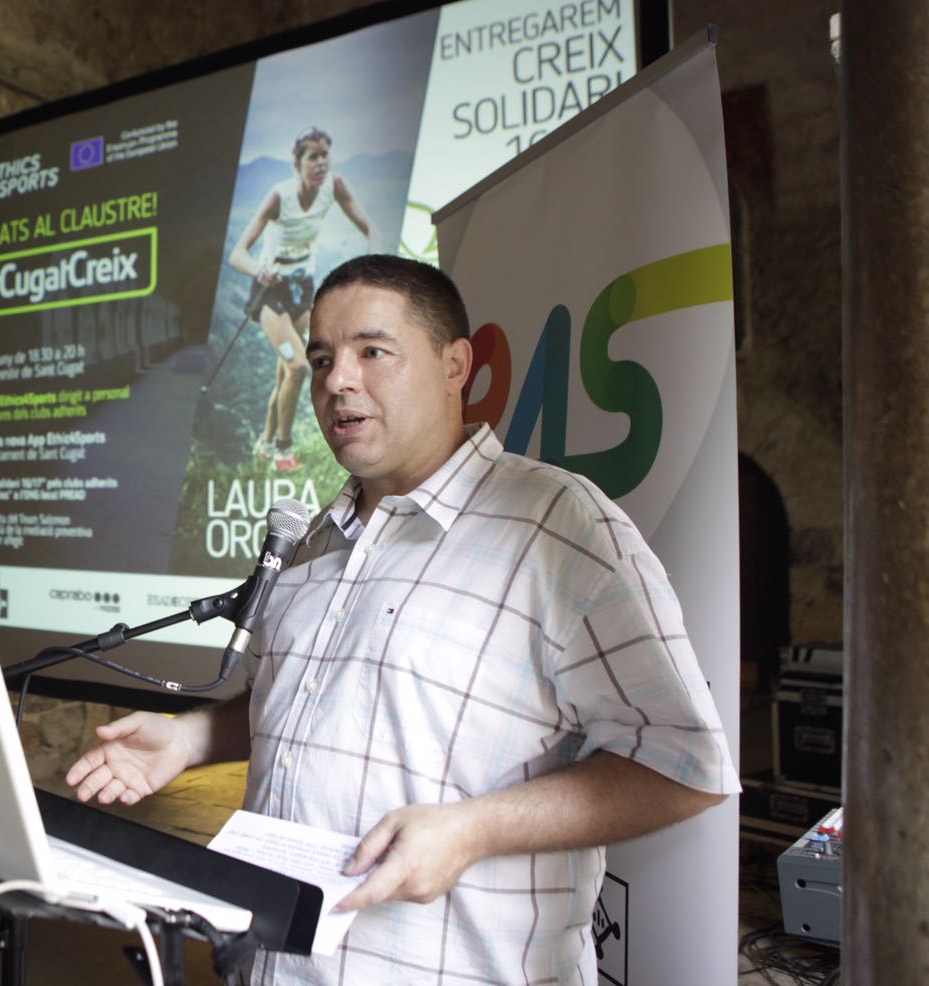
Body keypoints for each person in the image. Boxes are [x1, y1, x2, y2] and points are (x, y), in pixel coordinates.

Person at [68, 255, 738, 984]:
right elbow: (300, 703)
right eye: (321, 358)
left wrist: (471, 831)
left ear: (457, 365)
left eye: (372, 352)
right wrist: (189, 737)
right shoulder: (311, 540)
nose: (334, 381)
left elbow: (682, 765)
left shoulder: (556, 525)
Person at [228, 127, 379, 471]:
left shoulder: (335, 187)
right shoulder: (279, 196)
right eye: (313, 156)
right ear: (297, 163)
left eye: (325, 154)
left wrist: (377, 266)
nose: (321, 162)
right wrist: (257, 270)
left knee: (289, 372)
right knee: (297, 366)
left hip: (303, 291)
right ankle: (283, 449)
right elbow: (237, 254)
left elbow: (368, 225)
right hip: (270, 295)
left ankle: (264, 445)